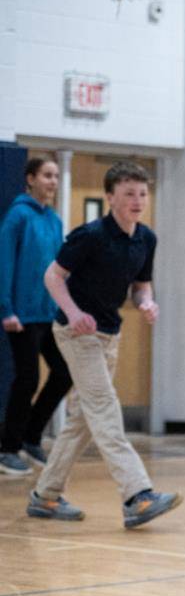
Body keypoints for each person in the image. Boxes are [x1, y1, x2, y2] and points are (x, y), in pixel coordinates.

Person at [27, 161, 182, 526]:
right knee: (106, 410)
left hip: (110, 333)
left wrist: (147, 302)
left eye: (142, 193)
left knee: (83, 419)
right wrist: (73, 311)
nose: (137, 200)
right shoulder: (91, 235)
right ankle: (136, 496)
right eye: (128, 193)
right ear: (110, 197)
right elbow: (53, 275)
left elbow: (141, 285)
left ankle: (45, 496)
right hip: (75, 334)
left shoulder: (146, 239)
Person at [0, 157, 72, 476]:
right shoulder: (17, 216)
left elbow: (61, 270)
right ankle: (8, 448)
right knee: (28, 378)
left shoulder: (55, 221)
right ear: (30, 179)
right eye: (47, 175)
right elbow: (4, 263)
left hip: (49, 313)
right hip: (22, 314)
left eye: (56, 176)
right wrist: (6, 309)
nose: (53, 181)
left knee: (64, 372)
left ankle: (31, 436)